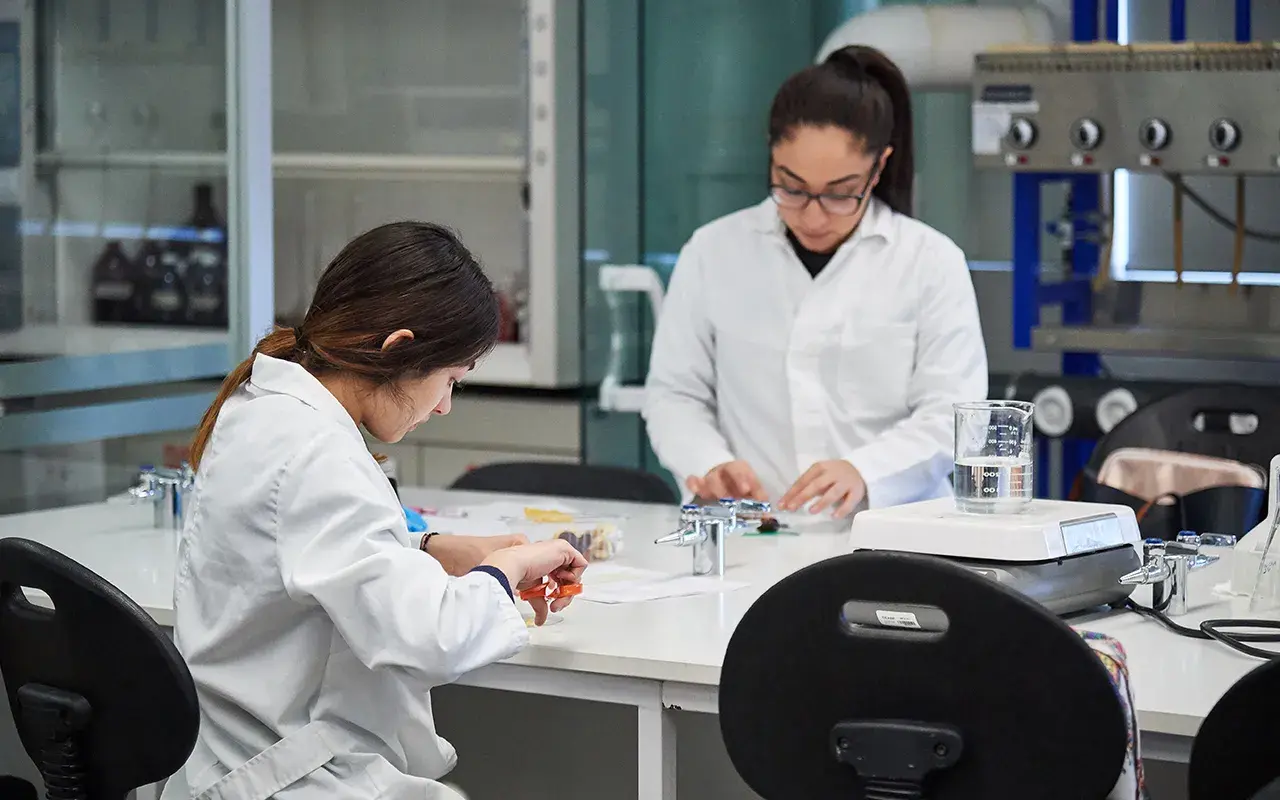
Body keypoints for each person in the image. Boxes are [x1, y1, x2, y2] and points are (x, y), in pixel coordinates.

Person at [162, 222, 587, 800]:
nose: (445, 407)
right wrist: (508, 571)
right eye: (450, 379)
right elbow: (430, 638)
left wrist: (433, 550)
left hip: (240, 761)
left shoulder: (263, 409)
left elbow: (302, 547)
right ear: (399, 348)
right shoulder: (319, 453)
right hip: (291, 779)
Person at [643, 45, 988, 519]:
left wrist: (864, 470)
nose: (813, 215)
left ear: (879, 168)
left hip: (895, 533)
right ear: (770, 157)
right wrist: (709, 463)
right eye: (792, 187)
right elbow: (674, 395)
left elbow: (952, 415)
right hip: (753, 530)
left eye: (840, 194)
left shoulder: (930, 262)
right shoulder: (713, 251)